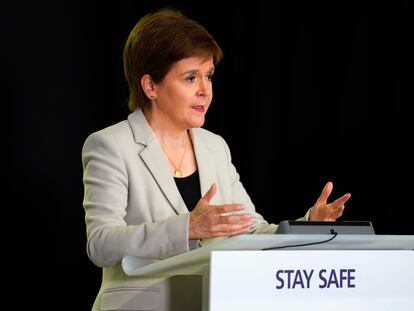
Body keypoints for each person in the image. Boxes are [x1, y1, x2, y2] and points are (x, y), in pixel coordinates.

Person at [81, 8, 351, 311]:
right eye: (190, 78)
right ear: (150, 86)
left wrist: (308, 226)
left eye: (208, 76)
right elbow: (101, 244)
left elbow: (249, 230)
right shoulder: (110, 145)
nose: (204, 90)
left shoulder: (214, 147)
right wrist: (187, 228)